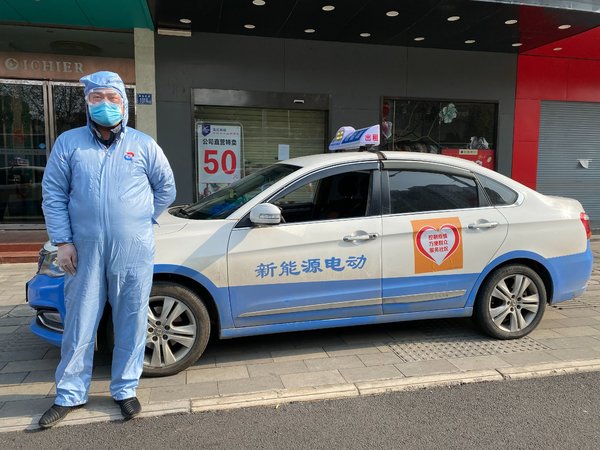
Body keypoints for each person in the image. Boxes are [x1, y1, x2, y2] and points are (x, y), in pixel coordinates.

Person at [39, 71, 176, 428]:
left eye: (112, 98)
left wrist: (139, 219)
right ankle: (69, 393)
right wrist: (63, 242)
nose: (105, 105)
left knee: (131, 318)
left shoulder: (144, 145)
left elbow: (166, 189)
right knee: (80, 321)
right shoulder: (69, 144)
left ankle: (125, 389)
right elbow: (53, 195)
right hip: (83, 250)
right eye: (97, 97)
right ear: (87, 103)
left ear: (124, 104)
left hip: (133, 249)